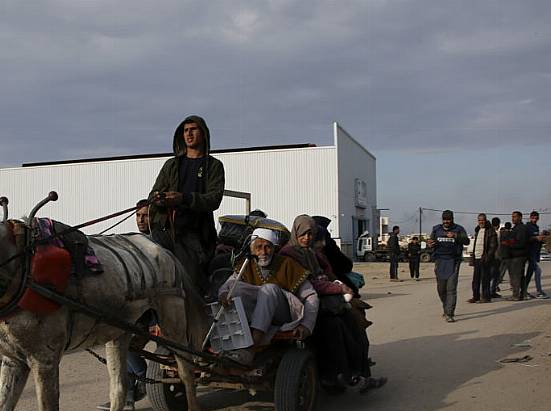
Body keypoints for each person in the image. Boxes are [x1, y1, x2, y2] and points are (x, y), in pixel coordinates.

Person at [279, 215, 384, 391]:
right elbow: (306, 284)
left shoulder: (310, 252)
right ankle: (339, 376)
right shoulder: (288, 255)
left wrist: (338, 285)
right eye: (303, 234)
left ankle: (359, 375)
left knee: (353, 324)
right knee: (335, 327)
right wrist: (338, 288)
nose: (307, 238)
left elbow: (325, 273)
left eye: (310, 234)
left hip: (322, 302)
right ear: (295, 233)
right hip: (302, 305)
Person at [217, 227, 319, 365]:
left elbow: (311, 296)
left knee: (268, 290)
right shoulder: (246, 264)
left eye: (268, 247)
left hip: (283, 317)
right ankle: (230, 345)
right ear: (252, 249)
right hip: (256, 315)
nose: (263, 252)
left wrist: (307, 325)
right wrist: (223, 294)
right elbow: (227, 285)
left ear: (274, 248)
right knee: (234, 288)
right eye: (258, 247)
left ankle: (252, 348)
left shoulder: (287, 264)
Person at [148, 115, 224, 295]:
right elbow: (152, 194)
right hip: (167, 232)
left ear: (203, 134)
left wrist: (184, 198)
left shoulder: (214, 166)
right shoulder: (172, 164)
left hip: (196, 236)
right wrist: (159, 199)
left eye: (193, 129)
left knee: (190, 286)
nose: (188, 134)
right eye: (185, 130)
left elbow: (214, 199)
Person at [97, 200, 153, 411]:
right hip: (132, 307)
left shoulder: (157, 243)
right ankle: (127, 396)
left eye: (145, 215)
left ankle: (143, 380)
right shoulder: (133, 241)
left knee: (124, 346)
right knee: (119, 344)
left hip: (148, 311)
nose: (141, 220)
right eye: (138, 215)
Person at [427, 210, 469, 322]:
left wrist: (456, 236)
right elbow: (431, 241)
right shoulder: (436, 229)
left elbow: (467, 241)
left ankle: (450, 313)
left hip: (453, 261)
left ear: (452, 219)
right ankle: (446, 307)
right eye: (444, 219)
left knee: (451, 288)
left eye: (448, 219)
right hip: (440, 261)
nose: (446, 221)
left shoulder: (459, 229)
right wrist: (430, 243)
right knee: (441, 289)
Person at [468, 213, 497, 303]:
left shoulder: (490, 230)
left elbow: (493, 246)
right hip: (476, 257)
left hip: (485, 258)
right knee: (475, 279)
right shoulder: (477, 230)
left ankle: (486, 297)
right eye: (479, 220)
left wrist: (488, 257)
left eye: (482, 220)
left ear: (486, 220)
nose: (481, 222)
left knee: (485, 279)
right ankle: (475, 296)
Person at [502, 211, 529, 301]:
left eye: (515, 217)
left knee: (515, 276)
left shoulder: (521, 228)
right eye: (512, 216)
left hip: (518, 256)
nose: (513, 218)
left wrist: (508, 244)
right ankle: (523, 294)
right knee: (520, 276)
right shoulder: (516, 228)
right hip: (516, 255)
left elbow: (521, 243)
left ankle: (516, 295)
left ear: (520, 218)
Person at [522, 211, 548, 299]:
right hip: (529, 253)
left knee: (530, 273)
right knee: (537, 271)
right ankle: (539, 291)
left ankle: (524, 291)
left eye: (536, 218)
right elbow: (525, 239)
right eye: (533, 217)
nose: (535, 219)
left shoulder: (536, 227)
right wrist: (535, 238)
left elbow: (536, 240)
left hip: (534, 253)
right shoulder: (527, 227)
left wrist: (541, 239)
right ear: (530, 217)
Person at [489, 217, 501, 297]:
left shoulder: (488, 232)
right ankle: (491, 291)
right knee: (494, 275)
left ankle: (490, 291)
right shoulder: (498, 233)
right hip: (496, 256)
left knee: (490, 275)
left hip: (490, 256)